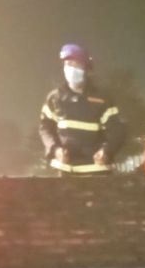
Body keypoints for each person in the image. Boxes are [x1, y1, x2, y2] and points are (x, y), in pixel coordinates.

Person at [39, 44, 124, 175]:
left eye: (77, 65)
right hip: (65, 171)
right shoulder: (55, 98)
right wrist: (55, 150)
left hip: (96, 171)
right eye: (68, 64)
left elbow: (116, 130)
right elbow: (45, 128)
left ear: (86, 69)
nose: (72, 69)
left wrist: (106, 151)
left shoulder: (102, 98)